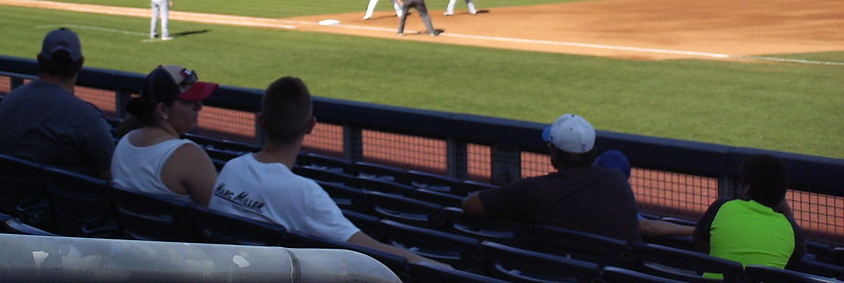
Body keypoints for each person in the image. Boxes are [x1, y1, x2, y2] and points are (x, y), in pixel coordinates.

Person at [212, 76, 445, 267]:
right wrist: (440, 268)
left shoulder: (232, 168)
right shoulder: (303, 192)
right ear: (311, 125)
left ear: (261, 121)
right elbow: (369, 249)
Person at [462, 113, 641, 242]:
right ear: (592, 152)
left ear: (554, 153)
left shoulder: (533, 190)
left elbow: (471, 205)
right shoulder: (616, 181)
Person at [0, 28, 115, 179]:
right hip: (67, 201)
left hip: (7, 198)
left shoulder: (9, 100)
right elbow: (109, 174)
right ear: (80, 64)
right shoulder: (87, 116)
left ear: (40, 60)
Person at [111, 65, 218, 206]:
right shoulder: (187, 154)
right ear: (163, 109)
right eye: (188, 101)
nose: (199, 106)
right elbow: (218, 214)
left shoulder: (125, 141)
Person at [693, 153, 805, 269]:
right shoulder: (790, 228)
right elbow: (795, 258)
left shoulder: (722, 207)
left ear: (746, 188)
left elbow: (698, 240)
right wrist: (788, 214)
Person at [594, 150, 694, 239]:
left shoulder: (585, 193)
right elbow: (647, 227)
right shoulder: (620, 204)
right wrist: (693, 230)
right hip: (612, 256)